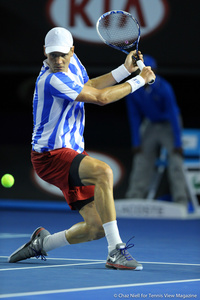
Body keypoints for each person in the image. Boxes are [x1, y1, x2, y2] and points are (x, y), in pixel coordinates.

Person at [8, 27, 155, 270]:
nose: (57, 60)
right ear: (44, 52)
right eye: (52, 55)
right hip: (50, 156)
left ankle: (43, 244)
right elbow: (100, 98)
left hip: (70, 153)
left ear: (72, 51)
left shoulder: (73, 63)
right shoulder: (51, 79)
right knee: (104, 172)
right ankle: (116, 251)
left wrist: (124, 71)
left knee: (96, 227)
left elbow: (88, 87)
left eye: (62, 55)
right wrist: (140, 80)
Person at [125, 55, 188, 206]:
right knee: (141, 159)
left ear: (155, 71)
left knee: (175, 161)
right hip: (150, 125)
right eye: (141, 70)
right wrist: (136, 142)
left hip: (169, 124)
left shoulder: (164, 88)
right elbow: (134, 117)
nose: (146, 73)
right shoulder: (134, 90)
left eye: (149, 70)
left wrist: (178, 143)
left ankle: (181, 201)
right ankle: (134, 199)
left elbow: (173, 114)